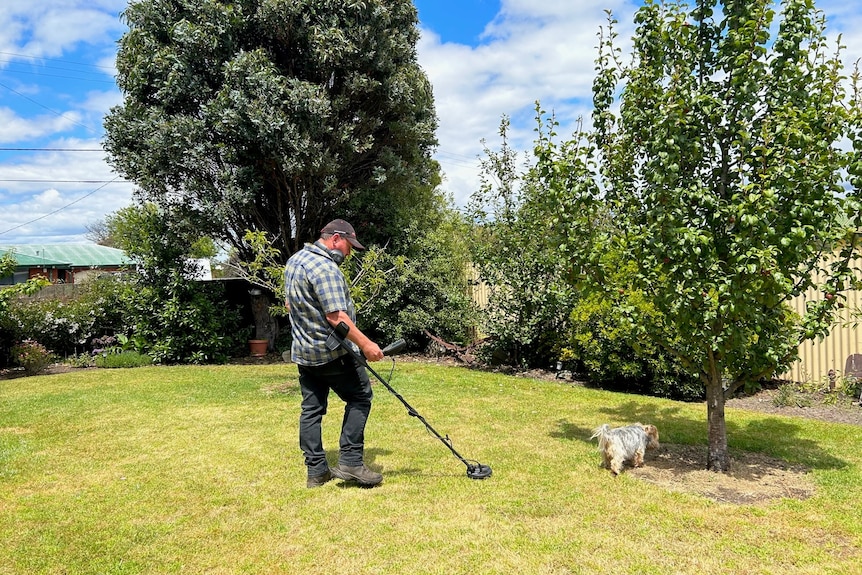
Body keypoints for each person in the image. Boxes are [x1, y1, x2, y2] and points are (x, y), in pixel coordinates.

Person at [284, 219, 385, 488]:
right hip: (331, 354)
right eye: (349, 246)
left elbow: (288, 303)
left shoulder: (295, 260)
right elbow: (336, 316)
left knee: (311, 410)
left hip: (305, 353)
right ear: (336, 238)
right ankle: (351, 462)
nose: (349, 252)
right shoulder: (324, 267)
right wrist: (366, 344)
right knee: (361, 397)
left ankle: (316, 472)